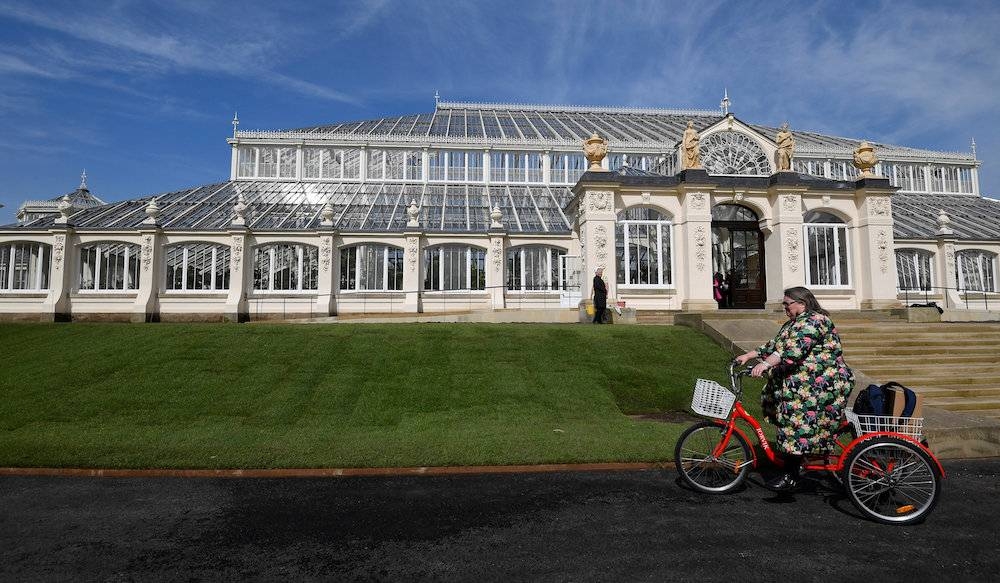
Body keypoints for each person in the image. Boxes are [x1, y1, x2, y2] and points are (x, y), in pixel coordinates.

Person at [734, 286, 854, 491]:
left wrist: (765, 365)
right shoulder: (795, 323)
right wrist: (748, 356)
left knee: (795, 426)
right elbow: (775, 346)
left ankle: (791, 477)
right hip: (805, 384)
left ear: (802, 303)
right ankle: (795, 467)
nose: (784, 308)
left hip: (821, 385)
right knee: (791, 424)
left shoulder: (814, 321)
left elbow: (791, 351)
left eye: (786, 304)